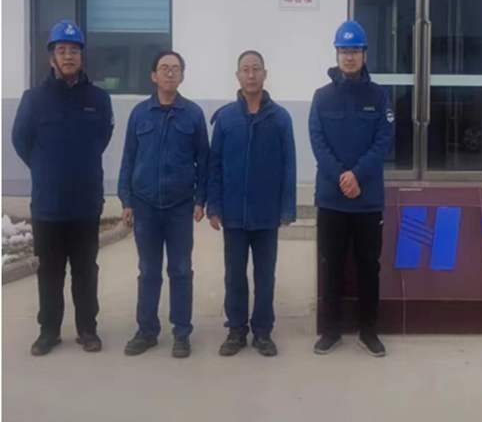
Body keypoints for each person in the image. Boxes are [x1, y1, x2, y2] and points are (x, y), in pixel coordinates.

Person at [12, 21, 114, 356]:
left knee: (86, 272)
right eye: (62, 50)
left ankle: (87, 329)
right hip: (48, 206)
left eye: (74, 50)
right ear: (52, 57)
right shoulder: (34, 99)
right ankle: (49, 331)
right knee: (50, 273)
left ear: (82, 56)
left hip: (85, 204)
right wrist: (46, 168)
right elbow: (21, 141)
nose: (68, 56)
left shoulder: (98, 99)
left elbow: (102, 138)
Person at [309, 20, 395, 357]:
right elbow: (318, 141)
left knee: (368, 267)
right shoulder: (321, 97)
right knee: (331, 265)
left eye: (355, 50)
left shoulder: (379, 96)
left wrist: (356, 175)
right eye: (344, 50)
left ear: (365, 55)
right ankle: (331, 331)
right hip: (332, 199)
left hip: (367, 200)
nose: (349, 57)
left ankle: (368, 331)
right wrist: (341, 176)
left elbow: (383, 140)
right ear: (336, 54)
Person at [118, 51, 209, 359]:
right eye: (164, 68)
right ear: (153, 76)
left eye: (176, 69)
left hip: (180, 206)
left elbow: (204, 161)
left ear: (182, 76)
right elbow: (129, 158)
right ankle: (146, 331)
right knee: (148, 271)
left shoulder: (193, 115)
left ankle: (181, 332)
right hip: (144, 205)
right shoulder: (140, 114)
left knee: (181, 270)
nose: (170, 73)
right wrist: (126, 200)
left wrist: (200, 200)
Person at [207, 51, 296, 358]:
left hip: (266, 213)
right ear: (238, 76)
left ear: (264, 74)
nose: (251, 74)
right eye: (245, 69)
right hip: (233, 213)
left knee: (265, 276)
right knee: (234, 275)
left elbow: (289, 165)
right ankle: (236, 330)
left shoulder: (280, 118)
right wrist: (214, 206)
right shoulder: (226, 118)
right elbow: (214, 165)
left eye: (256, 69)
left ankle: (262, 332)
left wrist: (287, 208)